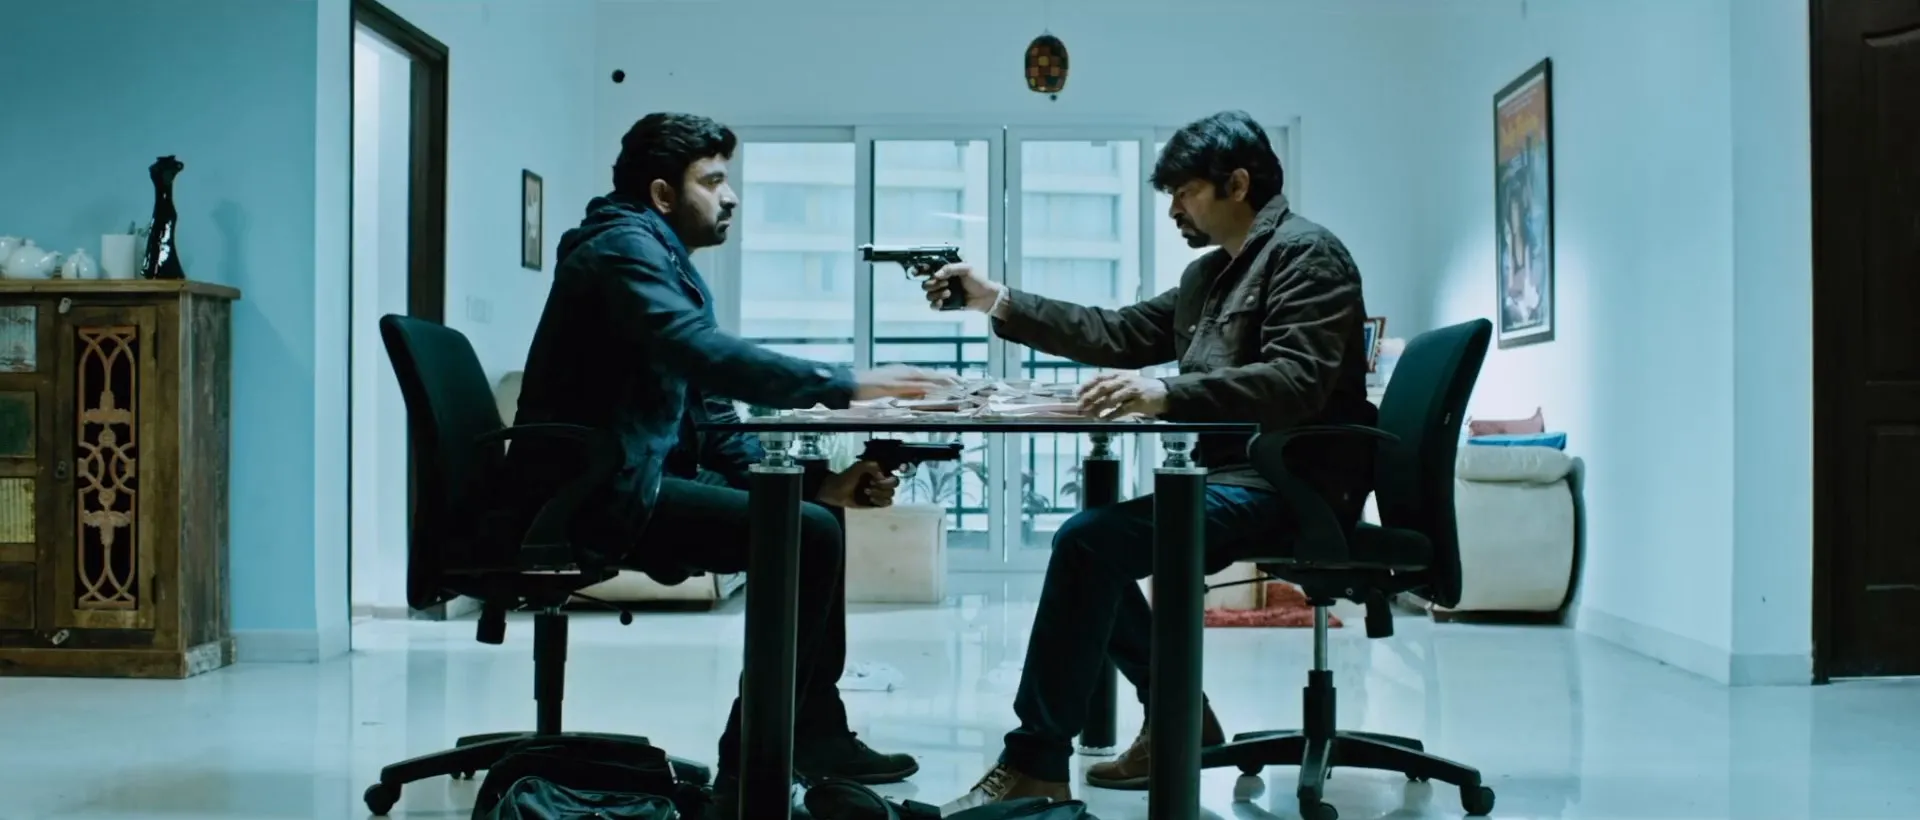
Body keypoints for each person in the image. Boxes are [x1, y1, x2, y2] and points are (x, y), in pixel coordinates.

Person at [496, 112, 952, 815]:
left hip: (630, 475)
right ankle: (751, 773)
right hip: (585, 493)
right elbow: (701, 353)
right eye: (712, 181)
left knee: (813, 516)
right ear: (662, 194)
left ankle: (812, 731)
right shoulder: (621, 251)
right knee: (807, 534)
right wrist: (849, 384)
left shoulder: (664, 262)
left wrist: (824, 483)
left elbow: (710, 416)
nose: (730, 196)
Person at [925, 110, 1379, 810]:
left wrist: (1165, 392)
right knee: (1096, 545)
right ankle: (1176, 715)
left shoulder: (1307, 255)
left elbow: (1298, 380)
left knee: (1091, 542)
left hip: (1293, 485)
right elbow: (1117, 331)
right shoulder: (1209, 276)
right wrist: (995, 299)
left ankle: (1040, 760)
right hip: (1233, 475)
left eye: (1185, 192)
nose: (1173, 210)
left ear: (1237, 184)